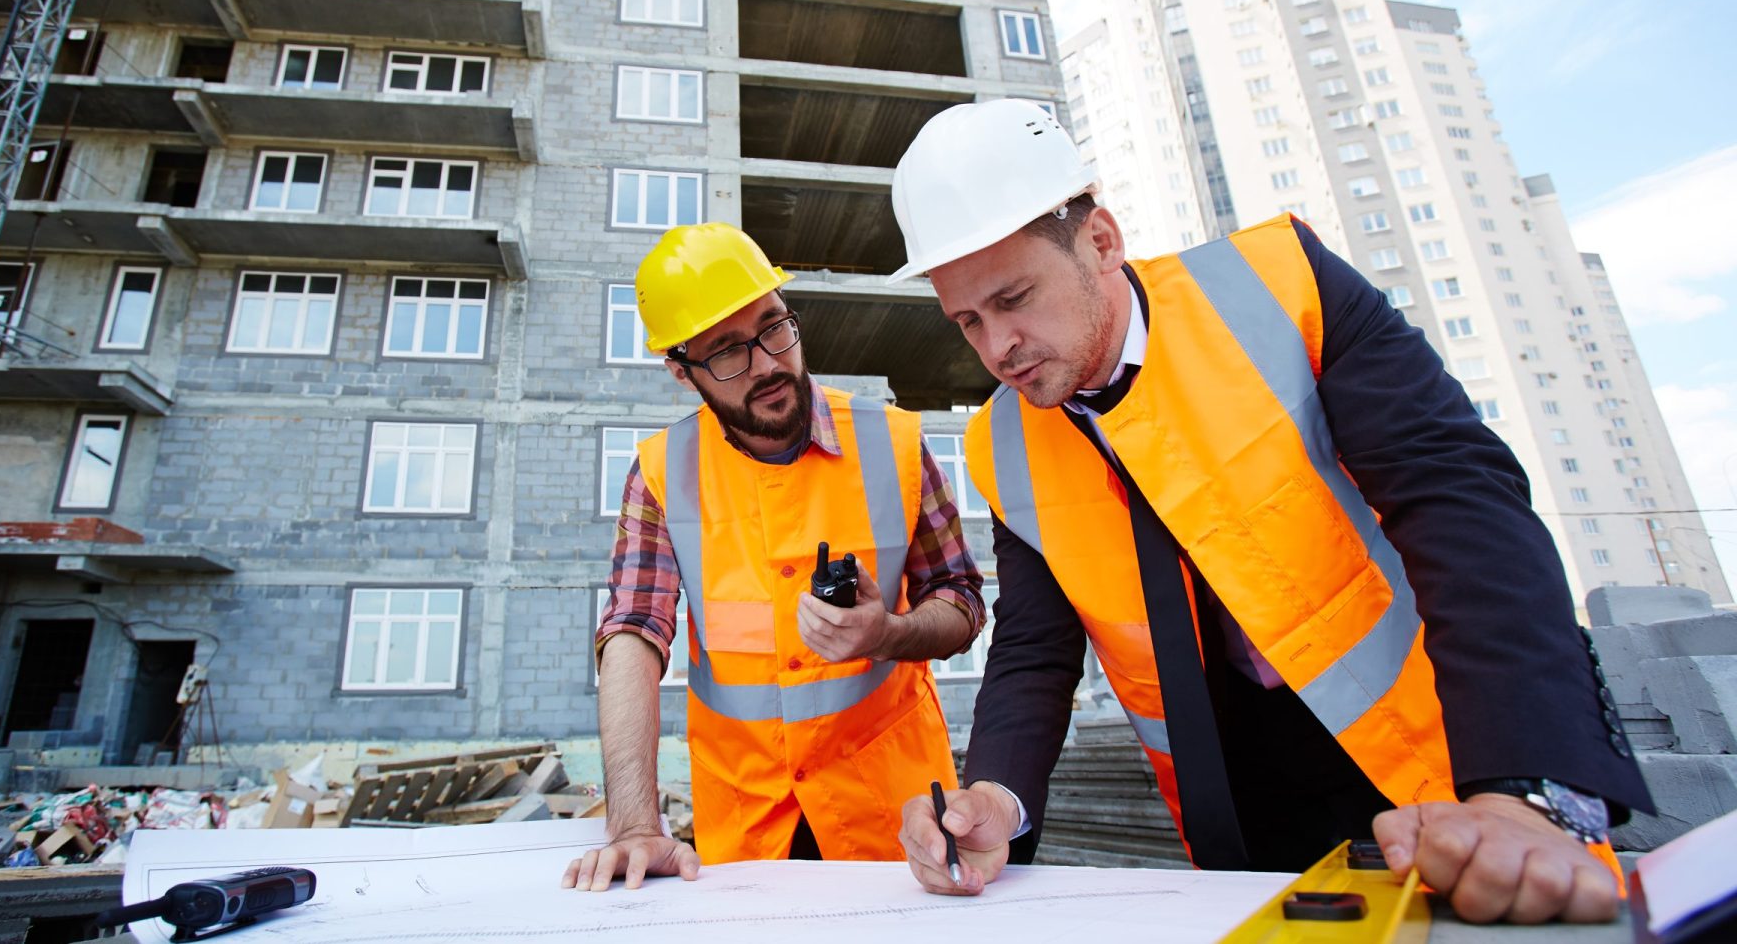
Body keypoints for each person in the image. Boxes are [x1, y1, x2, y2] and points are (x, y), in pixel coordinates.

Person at [886, 99, 1653, 924]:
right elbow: (1035, 650)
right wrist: (996, 797)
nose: (997, 346)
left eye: (1015, 298)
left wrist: (1521, 784)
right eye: (968, 320)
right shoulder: (1004, 442)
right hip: (1237, 816)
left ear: (1101, 242)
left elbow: (1458, 501)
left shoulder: (1282, 287)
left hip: (1445, 769)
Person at [563, 223, 986, 891]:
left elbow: (961, 600)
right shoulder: (661, 473)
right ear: (680, 370)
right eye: (727, 352)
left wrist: (892, 633)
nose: (767, 363)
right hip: (749, 835)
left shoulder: (895, 444)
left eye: (773, 327)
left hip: (898, 828)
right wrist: (634, 824)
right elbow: (632, 634)